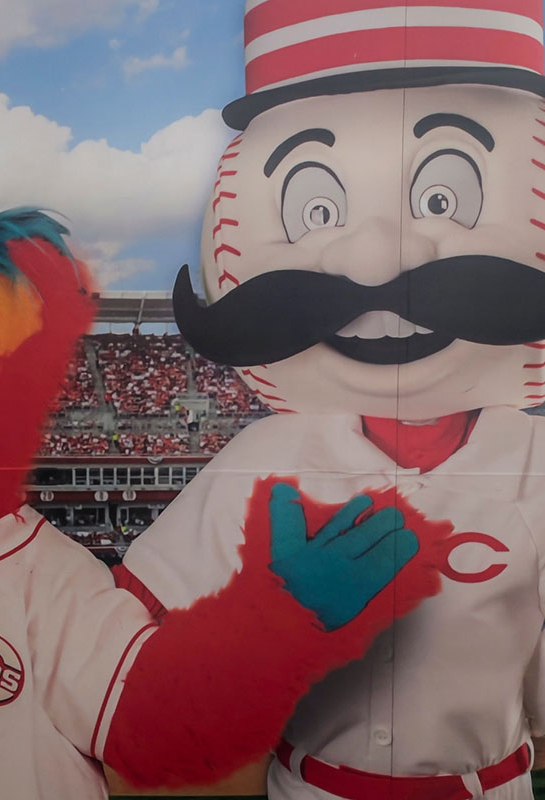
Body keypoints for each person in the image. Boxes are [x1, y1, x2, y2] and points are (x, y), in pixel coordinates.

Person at [126, 2, 545, 798]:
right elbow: (130, 630)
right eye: (317, 209)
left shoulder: (534, 464)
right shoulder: (265, 458)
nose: (376, 255)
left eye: (443, 198)